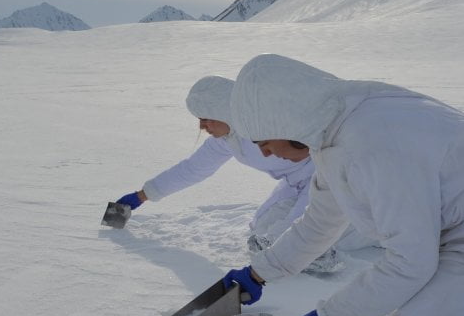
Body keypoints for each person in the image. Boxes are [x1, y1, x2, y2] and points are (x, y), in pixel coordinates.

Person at [224, 53, 464, 316]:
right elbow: (319, 222)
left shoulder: (373, 143)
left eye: (264, 142)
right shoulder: (337, 126)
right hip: (450, 234)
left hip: (453, 241)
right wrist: (259, 272)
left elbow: (411, 261)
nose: (265, 154)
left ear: (285, 122)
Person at [115, 75, 340, 272]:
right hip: (295, 186)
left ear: (222, 111)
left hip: (330, 179)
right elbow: (192, 169)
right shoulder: (226, 140)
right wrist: (142, 195)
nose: (202, 127)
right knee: (261, 232)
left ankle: (337, 247)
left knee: (292, 238)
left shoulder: (267, 122)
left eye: (205, 118)